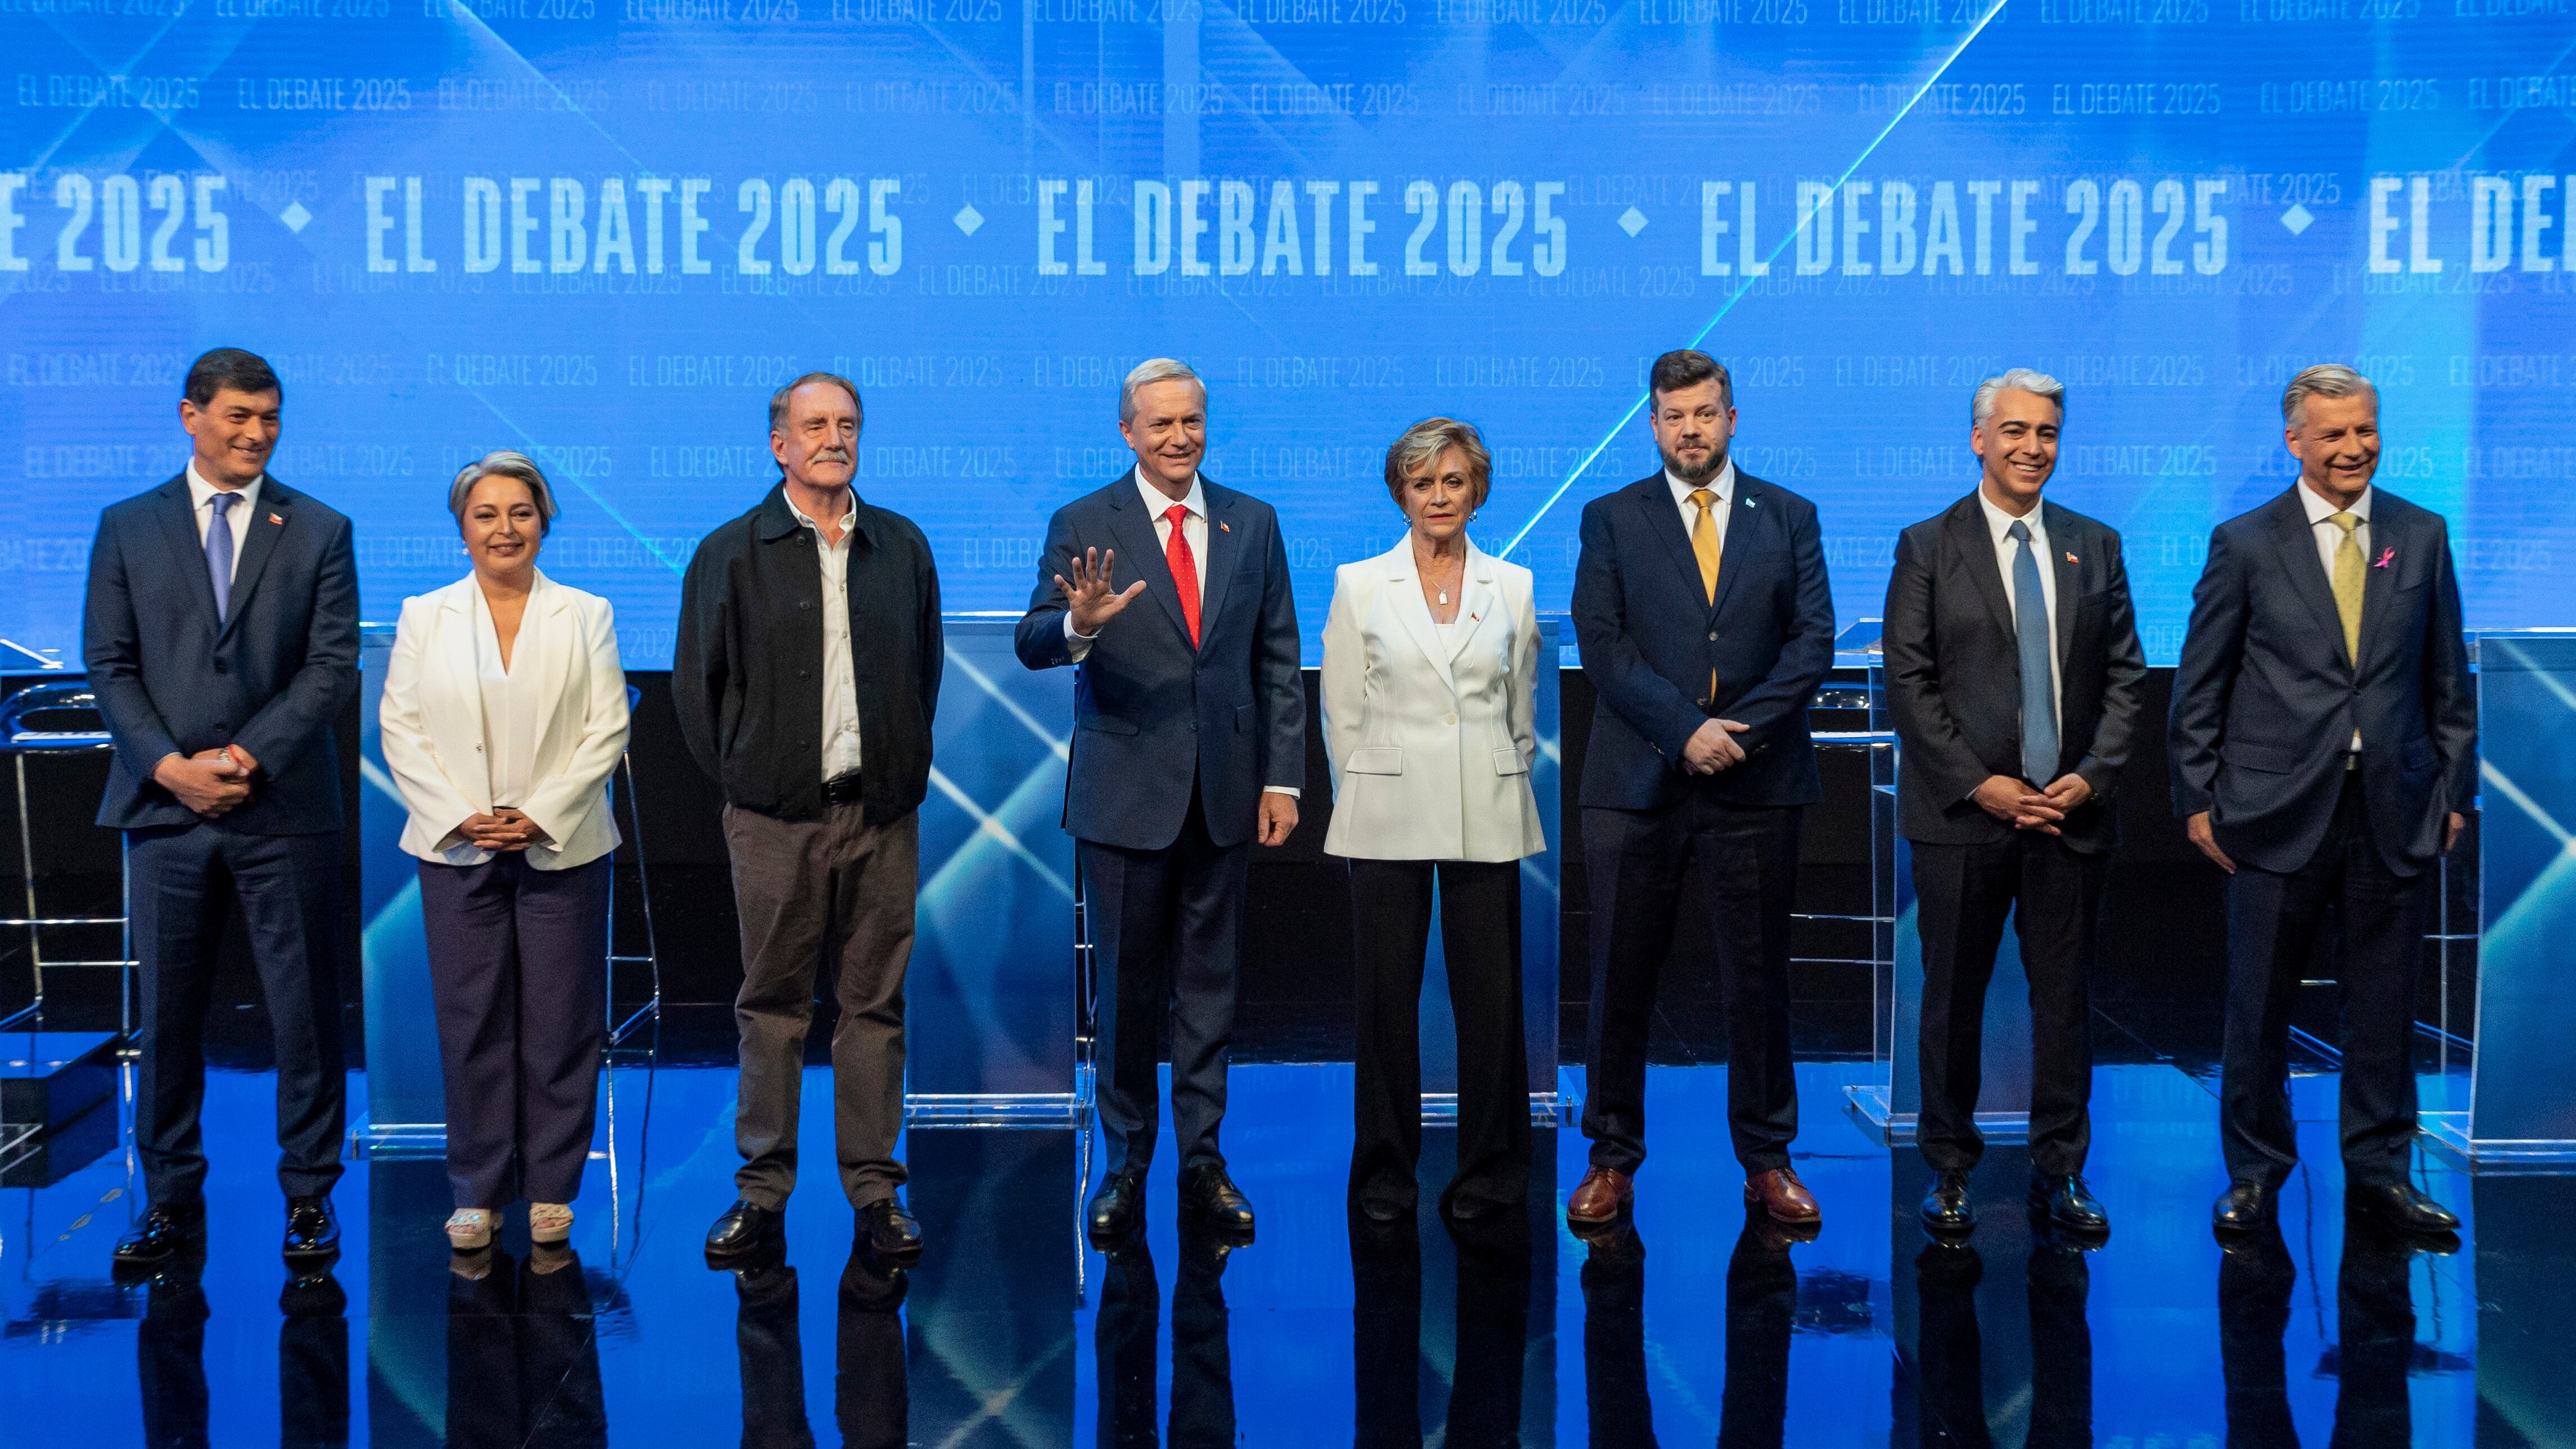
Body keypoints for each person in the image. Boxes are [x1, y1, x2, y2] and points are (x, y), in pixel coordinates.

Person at [2171, 363, 2474, 1238]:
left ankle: (2379, 1171)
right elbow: (2202, 684)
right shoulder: (2245, 541)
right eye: (2333, 433)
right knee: (2257, 1004)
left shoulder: (2419, 534)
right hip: (2272, 810)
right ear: (2294, 440)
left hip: (2394, 805)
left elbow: (2444, 675)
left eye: (2364, 429)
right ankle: (2256, 1174)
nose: (2353, 447)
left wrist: (2453, 785)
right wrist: (2196, 795)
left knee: (2381, 1005)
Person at [1015, 358, 1304, 1244]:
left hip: (1224, 793)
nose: (1179, 438)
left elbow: (1276, 659)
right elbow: (1033, 640)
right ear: (1127, 433)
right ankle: (1125, 1160)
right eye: (1161, 425)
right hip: (1124, 797)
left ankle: (1204, 1159)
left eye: (1192, 422)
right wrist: (1080, 625)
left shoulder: (1250, 522)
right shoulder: (1082, 523)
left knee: (1211, 989)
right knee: (1129, 989)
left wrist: (1282, 776)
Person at [87, 347, 359, 1271]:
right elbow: (110, 664)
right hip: (166, 813)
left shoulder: (319, 527)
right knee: (166, 1017)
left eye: (271, 416)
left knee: (305, 1014)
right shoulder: (126, 526)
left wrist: (242, 757)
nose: (257, 432)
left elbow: (330, 667)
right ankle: (167, 1202)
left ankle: (311, 1198)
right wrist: (171, 766)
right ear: (189, 415)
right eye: (239, 414)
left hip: (282, 808)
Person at [675, 373, 944, 1263]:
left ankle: (875, 1190)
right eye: (814, 424)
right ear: (778, 445)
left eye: (848, 424)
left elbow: (924, 674)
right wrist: (758, 780)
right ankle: (762, 1193)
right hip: (774, 821)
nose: (834, 437)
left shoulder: (901, 546)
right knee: (773, 1007)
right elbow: (696, 694)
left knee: (875, 1006)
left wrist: (895, 771)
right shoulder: (730, 552)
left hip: (880, 818)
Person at [1566, 347, 1836, 1231]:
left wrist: (1737, 733)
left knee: (1756, 981)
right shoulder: (1610, 518)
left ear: (1731, 418)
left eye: (1706, 413)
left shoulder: (1789, 515)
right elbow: (1602, 645)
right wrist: (1683, 730)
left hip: (1755, 783)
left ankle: (1767, 1158)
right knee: (1618, 976)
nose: (1690, 429)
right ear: (1653, 425)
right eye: (1674, 415)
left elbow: (1811, 642)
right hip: (1635, 781)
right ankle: (1610, 1157)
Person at [1881, 369, 2146, 1239]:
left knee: (2064, 1000)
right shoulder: (1927, 545)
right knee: (1951, 999)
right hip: (1964, 817)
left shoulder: (2094, 543)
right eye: (2015, 431)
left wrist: (2094, 774)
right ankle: (1949, 1169)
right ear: (1978, 439)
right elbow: (1910, 683)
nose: (2032, 448)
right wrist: (1981, 782)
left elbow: (2124, 678)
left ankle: (2061, 1168)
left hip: (2070, 817)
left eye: (2046, 433)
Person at [379, 452, 632, 1252]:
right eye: (486, 514)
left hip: (563, 843)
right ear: (462, 528)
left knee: (562, 1021)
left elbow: (607, 728)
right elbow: (402, 727)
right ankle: (478, 1189)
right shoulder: (425, 615)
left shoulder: (585, 611)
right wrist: (461, 815)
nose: (504, 528)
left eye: (520, 512)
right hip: (457, 848)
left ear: (544, 521)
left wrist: (539, 811)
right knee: (472, 1020)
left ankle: (553, 1185)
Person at [1319, 417, 1544, 1225]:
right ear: (1399, 494)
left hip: (1485, 804)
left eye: (1453, 481)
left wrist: (1490, 765)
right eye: (1423, 483)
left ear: (1475, 489)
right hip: (1385, 805)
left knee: (1491, 1001)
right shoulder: (1358, 582)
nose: (1438, 496)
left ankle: (1491, 1172)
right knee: (1385, 1001)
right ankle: (1384, 1176)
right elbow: (1341, 709)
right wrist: (1372, 782)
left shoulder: (1512, 585)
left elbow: (1519, 707)